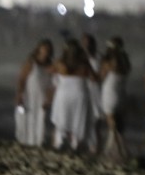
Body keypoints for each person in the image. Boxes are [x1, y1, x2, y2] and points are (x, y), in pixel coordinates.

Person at [50, 38, 100, 151]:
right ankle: (75, 143)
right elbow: (94, 78)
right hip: (80, 93)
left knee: (63, 118)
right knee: (78, 119)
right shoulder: (84, 63)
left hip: (63, 94)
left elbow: (51, 71)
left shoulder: (60, 62)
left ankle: (60, 141)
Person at [15, 39, 56, 147]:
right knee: (25, 119)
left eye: (48, 49)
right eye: (44, 49)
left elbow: (51, 85)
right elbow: (21, 79)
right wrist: (19, 95)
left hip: (42, 98)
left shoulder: (51, 66)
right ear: (39, 49)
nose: (46, 51)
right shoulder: (30, 63)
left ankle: (38, 143)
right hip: (28, 96)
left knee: (40, 120)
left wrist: (49, 99)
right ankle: (24, 142)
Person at [97, 36, 131, 164]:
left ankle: (116, 150)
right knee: (119, 123)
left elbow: (101, 76)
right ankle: (120, 149)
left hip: (110, 91)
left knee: (111, 122)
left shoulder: (108, 61)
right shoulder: (125, 62)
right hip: (121, 92)